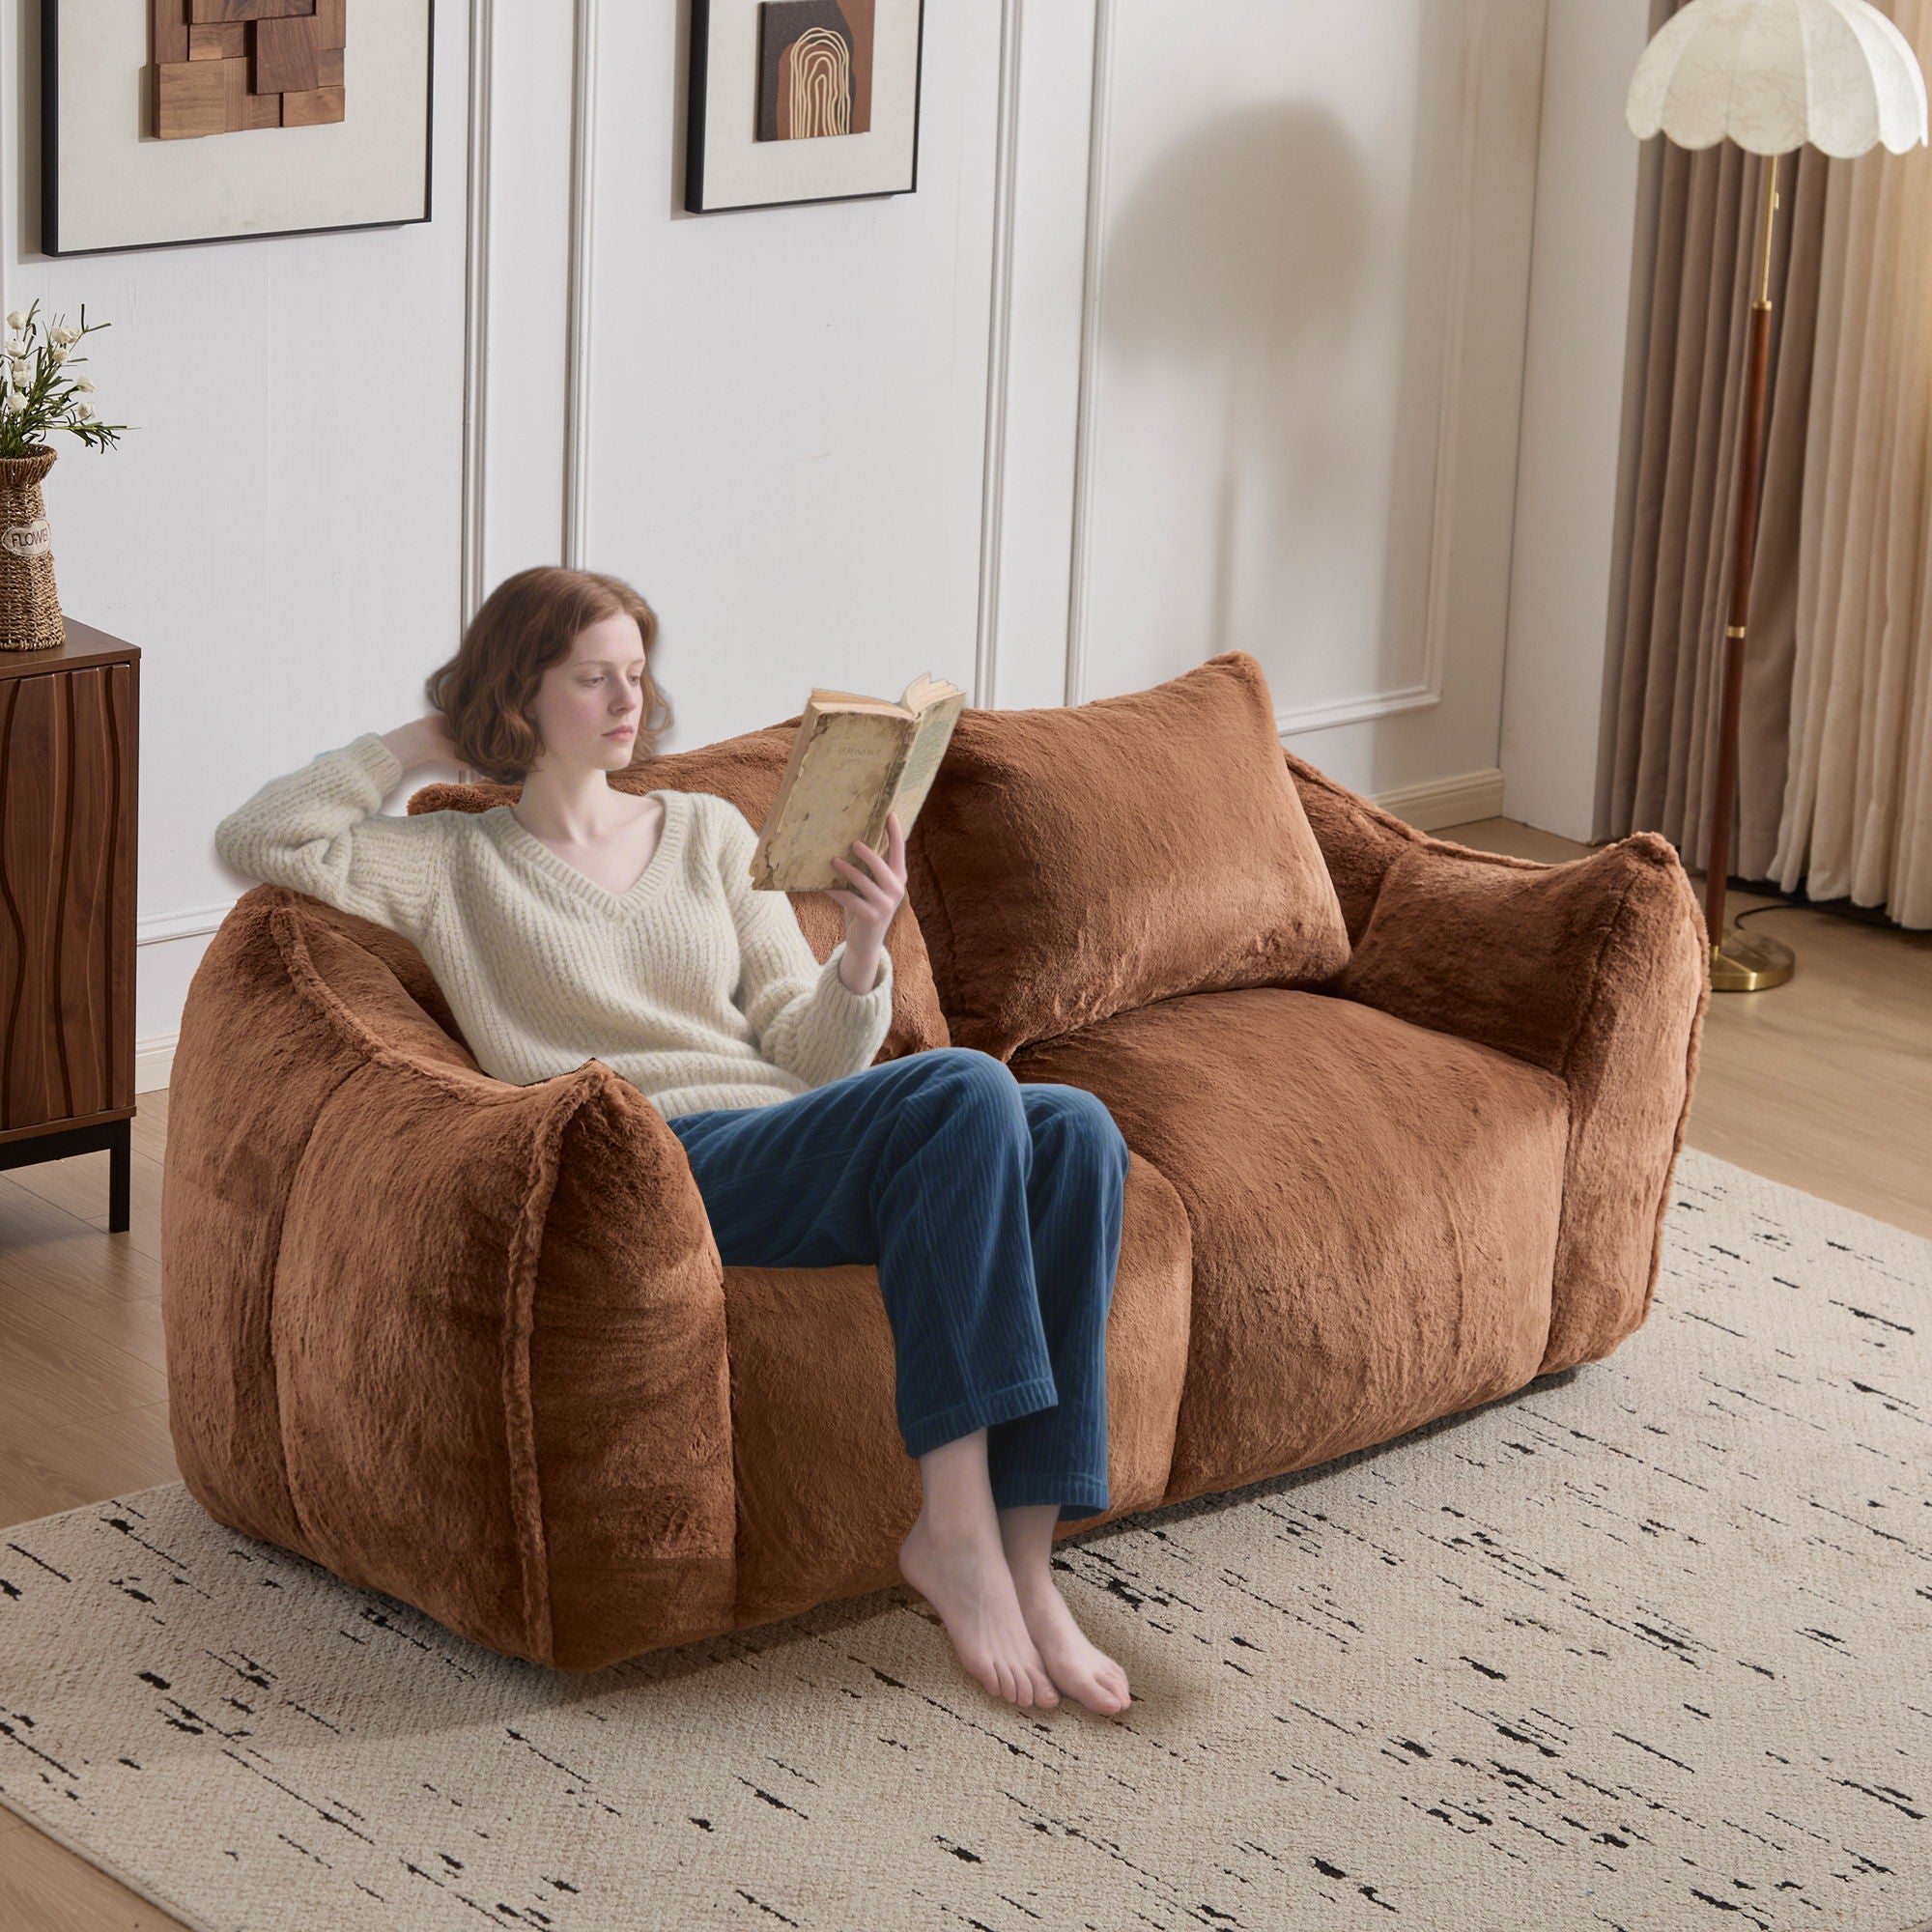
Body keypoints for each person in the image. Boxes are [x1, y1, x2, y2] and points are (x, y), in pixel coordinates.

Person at [213, 564, 1132, 1717]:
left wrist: (859, 945)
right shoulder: (451, 865)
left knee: (1075, 1128)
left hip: (780, 1127)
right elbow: (261, 833)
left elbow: (807, 1055)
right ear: (516, 695)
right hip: (655, 1162)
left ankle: (1028, 1562)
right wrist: (423, 734)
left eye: (635, 673)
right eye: (591, 677)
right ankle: (949, 1533)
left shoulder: (706, 830)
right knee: (961, 1091)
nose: (624, 699)